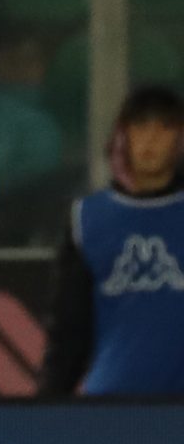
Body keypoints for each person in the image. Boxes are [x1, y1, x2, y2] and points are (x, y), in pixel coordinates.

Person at [42, 86, 184, 397]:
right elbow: (69, 332)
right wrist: (47, 407)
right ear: (123, 136)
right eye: (140, 125)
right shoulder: (88, 219)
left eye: (164, 126)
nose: (150, 139)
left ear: (179, 138)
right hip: (111, 404)